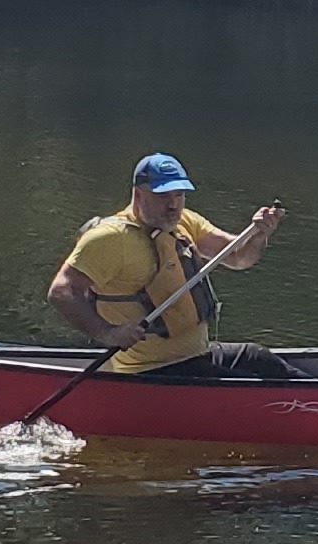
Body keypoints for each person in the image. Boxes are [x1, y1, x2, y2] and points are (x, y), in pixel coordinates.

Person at [51, 153, 296, 381]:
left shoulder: (184, 221)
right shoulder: (111, 238)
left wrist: (259, 235)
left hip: (197, 355)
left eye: (179, 195)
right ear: (138, 194)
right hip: (154, 369)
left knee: (257, 356)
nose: (173, 205)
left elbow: (239, 258)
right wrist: (107, 333)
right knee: (249, 386)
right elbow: (62, 290)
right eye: (162, 196)